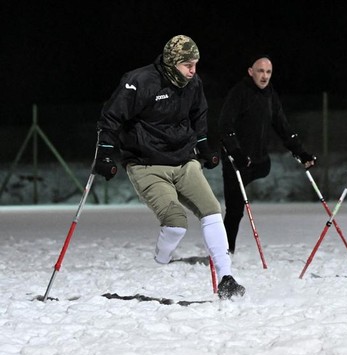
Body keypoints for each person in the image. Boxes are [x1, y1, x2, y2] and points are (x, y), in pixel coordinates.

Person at [93, 34, 245, 299]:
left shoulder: (192, 83)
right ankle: (162, 257)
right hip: (146, 164)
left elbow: (199, 115)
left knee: (211, 211)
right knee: (176, 223)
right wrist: (105, 151)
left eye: (195, 64)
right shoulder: (139, 81)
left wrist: (204, 146)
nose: (193, 70)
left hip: (184, 161)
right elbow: (111, 116)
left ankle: (226, 278)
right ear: (172, 62)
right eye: (188, 64)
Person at [218, 55, 316, 254]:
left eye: (268, 72)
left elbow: (283, 127)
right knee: (235, 210)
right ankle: (226, 251)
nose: (264, 76)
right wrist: (235, 151)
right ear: (250, 72)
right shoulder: (239, 93)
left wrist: (301, 152)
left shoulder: (271, 95)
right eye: (260, 71)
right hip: (237, 161)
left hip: (260, 162)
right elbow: (224, 126)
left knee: (263, 169)